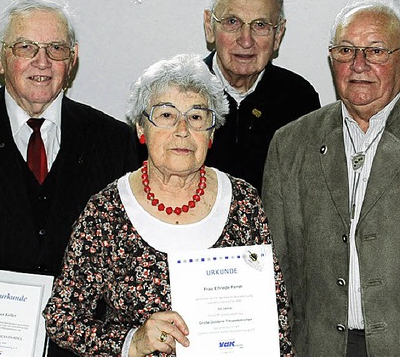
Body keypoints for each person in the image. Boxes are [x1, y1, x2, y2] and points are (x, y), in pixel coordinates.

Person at [262, 0, 400, 356]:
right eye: (346, 50)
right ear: (331, 58)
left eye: (376, 51)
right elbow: (277, 264)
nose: (358, 64)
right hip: (318, 347)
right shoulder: (291, 143)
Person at [43, 53, 293, 356]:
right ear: (140, 128)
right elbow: (61, 318)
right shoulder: (106, 211)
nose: (182, 130)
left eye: (197, 117)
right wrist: (132, 341)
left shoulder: (244, 202)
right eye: (166, 115)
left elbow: (275, 317)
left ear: (211, 133)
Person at [0, 0, 138, 356]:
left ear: (73, 58)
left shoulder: (115, 142)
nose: (42, 62)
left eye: (56, 49)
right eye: (25, 48)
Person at [203, 0, 321, 192]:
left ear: (278, 35)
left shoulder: (299, 99)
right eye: (232, 22)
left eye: (260, 25)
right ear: (210, 27)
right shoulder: (180, 93)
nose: (246, 40)